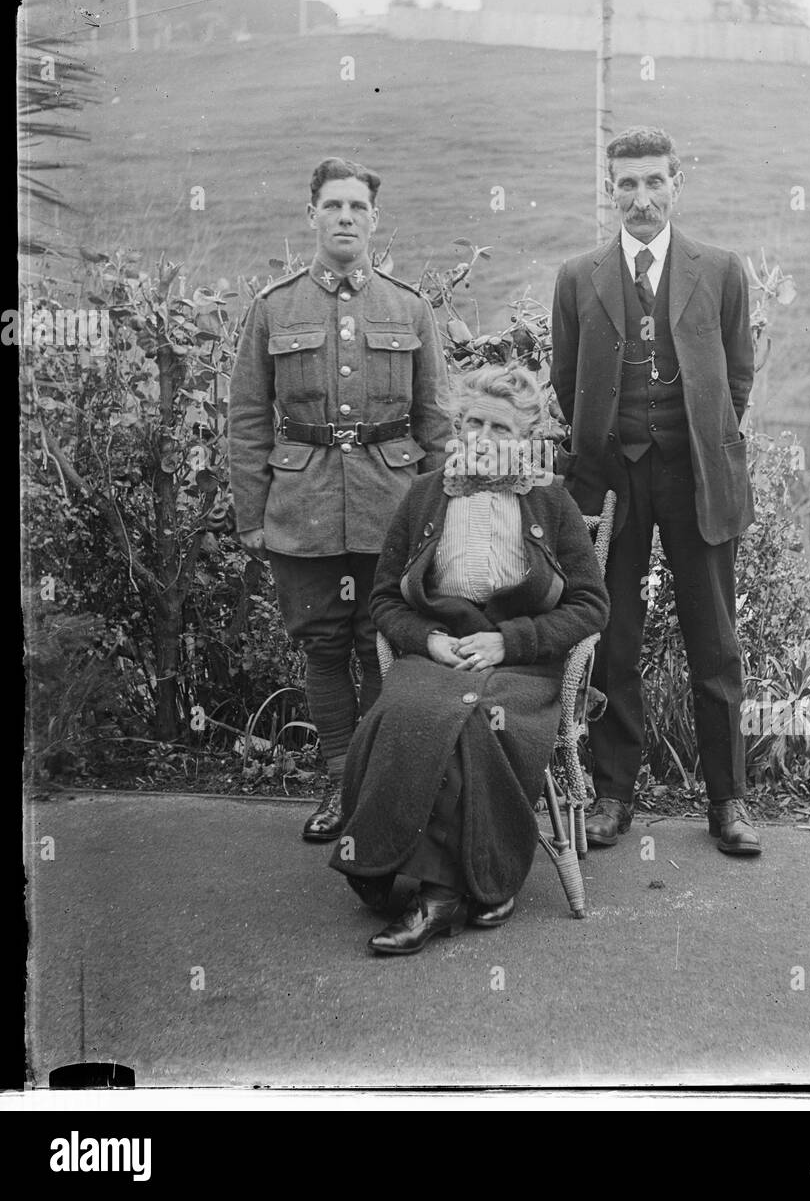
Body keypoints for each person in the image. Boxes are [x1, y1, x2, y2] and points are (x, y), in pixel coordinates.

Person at [326, 363, 611, 955]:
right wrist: (427, 640)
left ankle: (440, 896)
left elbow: (591, 606)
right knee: (406, 711)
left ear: (526, 438)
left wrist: (511, 641)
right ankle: (436, 873)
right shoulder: (426, 494)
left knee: (477, 720)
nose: (482, 437)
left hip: (521, 665)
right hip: (439, 652)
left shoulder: (551, 502)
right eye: (472, 422)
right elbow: (383, 598)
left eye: (500, 428)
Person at [550, 126, 761, 855]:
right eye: (627, 185)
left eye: (654, 182)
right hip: (613, 481)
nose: (641, 199)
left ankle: (728, 801)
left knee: (715, 641)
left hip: (696, 475)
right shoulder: (579, 278)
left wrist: (698, 437)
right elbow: (564, 379)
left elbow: (737, 379)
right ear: (611, 190)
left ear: (677, 184)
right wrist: (610, 444)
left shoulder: (722, 271)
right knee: (614, 638)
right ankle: (612, 795)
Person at [228, 156, 451, 841]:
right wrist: (253, 516)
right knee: (324, 646)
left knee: (381, 643)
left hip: (393, 504)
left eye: (358, 207)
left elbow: (435, 421)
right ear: (312, 217)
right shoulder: (273, 308)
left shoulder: (409, 307)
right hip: (303, 508)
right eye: (334, 206)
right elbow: (246, 421)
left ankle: (380, 787)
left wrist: (442, 514)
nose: (346, 217)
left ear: (374, 220)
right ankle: (336, 782)